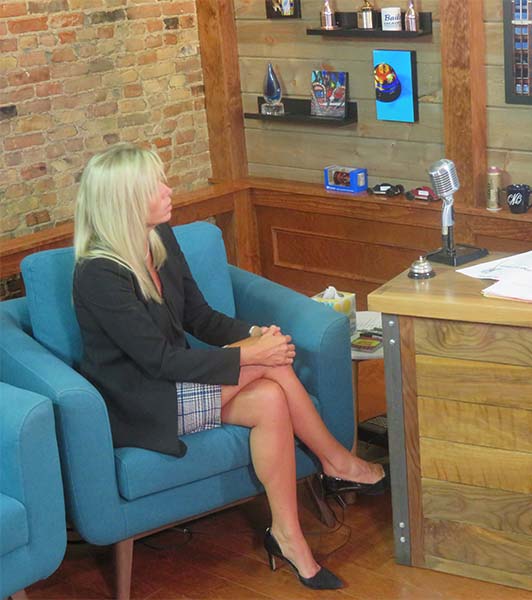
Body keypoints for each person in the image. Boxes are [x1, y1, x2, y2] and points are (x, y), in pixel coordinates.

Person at [72, 143, 386, 591]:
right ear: (125, 200)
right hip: (142, 402)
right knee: (271, 369)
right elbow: (159, 361)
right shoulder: (98, 274)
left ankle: (288, 536)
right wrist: (254, 354)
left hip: (176, 380)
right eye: (155, 185)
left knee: (271, 398)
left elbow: (199, 317)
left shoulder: (159, 238)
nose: (168, 189)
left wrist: (255, 333)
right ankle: (337, 461)